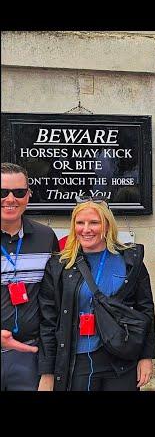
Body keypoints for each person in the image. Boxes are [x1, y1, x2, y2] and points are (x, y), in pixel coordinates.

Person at [38, 199, 155, 391]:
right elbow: (49, 321)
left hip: (121, 358)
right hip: (77, 361)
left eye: (94, 222)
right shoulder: (59, 265)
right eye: (80, 223)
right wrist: (48, 372)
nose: (86, 229)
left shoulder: (130, 262)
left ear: (107, 225)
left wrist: (146, 357)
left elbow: (145, 311)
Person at [1, 162, 59, 391]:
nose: (10, 199)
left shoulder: (46, 237)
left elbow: (53, 301)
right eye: (2, 192)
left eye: (19, 192)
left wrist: (48, 367)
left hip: (29, 356)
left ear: (29, 195)